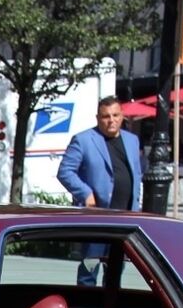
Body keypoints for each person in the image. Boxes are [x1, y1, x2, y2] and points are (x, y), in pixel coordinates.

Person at [58, 97, 141, 284]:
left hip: (124, 219)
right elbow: (65, 171)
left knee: (115, 272)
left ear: (122, 116)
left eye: (115, 115)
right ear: (98, 118)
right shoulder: (84, 140)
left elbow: (136, 173)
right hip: (97, 217)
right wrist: (85, 193)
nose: (111, 120)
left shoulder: (132, 141)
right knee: (90, 269)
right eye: (105, 116)